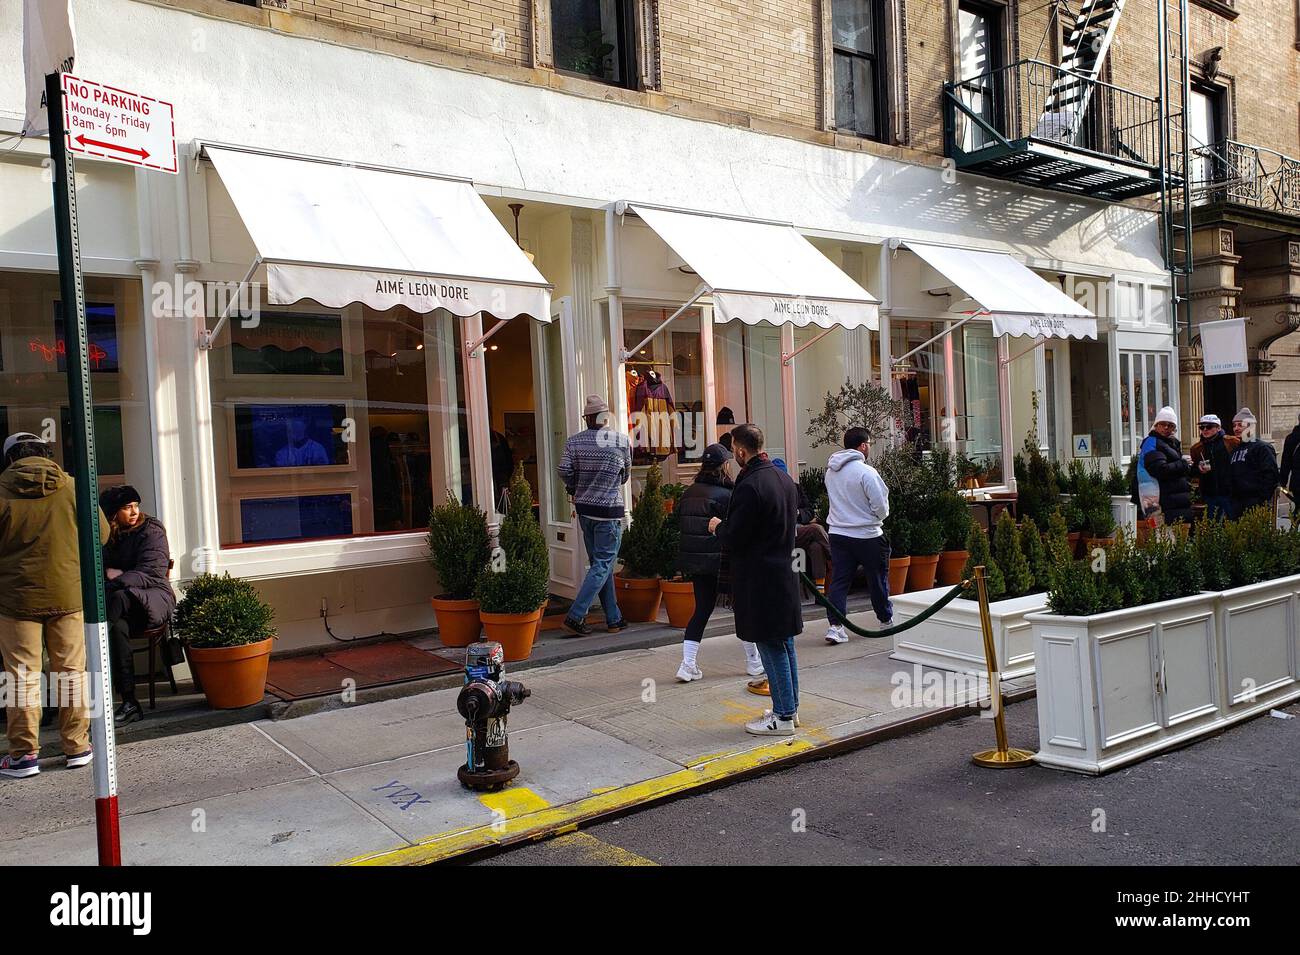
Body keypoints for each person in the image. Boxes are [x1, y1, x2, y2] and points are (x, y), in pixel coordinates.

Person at [0, 433, 109, 779]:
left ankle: (23, 755)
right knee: (71, 672)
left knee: (21, 676)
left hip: (16, 599)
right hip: (68, 595)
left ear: (11, 459)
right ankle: (76, 747)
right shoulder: (74, 487)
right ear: (47, 455)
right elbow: (102, 535)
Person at [707, 424, 803, 736]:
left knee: (770, 645)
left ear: (740, 451)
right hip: (783, 573)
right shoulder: (783, 478)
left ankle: (783, 717)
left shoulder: (751, 486)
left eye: (733, 448)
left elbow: (737, 536)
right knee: (784, 643)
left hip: (761, 578)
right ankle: (789, 708)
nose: (733, 454)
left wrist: (718, 527)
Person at [673, 444, 765, 683]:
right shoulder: (728, 495)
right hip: (724, 561)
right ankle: (754, 662)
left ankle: (687, 664)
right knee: (741, 609)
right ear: (724, 465)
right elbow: (735, 530)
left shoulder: (688, 492)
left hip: (695, 562)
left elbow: (679, 524)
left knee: (701, 610)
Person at [99, 485, 176, 724]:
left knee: (115, 603)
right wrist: (113, 576)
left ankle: (92, 651)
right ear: (112, 514)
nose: (134, 512)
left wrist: (117, 579)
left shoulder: (151, 530)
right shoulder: (105, 535)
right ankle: (130, 701)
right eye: (126, 507)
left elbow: (151, 572)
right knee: (116, 628)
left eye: (135, 506)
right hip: (120, 607)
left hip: (153, 599)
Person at [558, 395, 632, 637]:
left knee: (602, 566)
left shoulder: (574, 442)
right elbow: (625, 475)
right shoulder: (621, 441)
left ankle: (614, 618)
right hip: (609, 511)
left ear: (587, 418)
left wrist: (576, 485)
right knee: (602, 565)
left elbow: (564, 470)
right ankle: (576, 615)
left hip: (585, 511)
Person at [823, 428, 892, 644]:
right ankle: (885, 620)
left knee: (839, 581)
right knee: (877, 578)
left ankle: (835, 626)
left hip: (838, 533)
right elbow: (881, 506)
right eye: (869, 443)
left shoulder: (831, 471)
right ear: (863, 446)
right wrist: (876, 516)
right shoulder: (867, 472)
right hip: (867, 534)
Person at [773, 458, 832, 600]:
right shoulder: (771, 491)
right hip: (782, 533)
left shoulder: (796, 488)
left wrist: (798, 513)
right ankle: (835, 556)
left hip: (798, 530)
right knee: (816, 529)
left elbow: (809, 511)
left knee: (817, 546)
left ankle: (820, 592)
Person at [1131, 406, 1193, 526]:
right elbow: (1159, 470)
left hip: (1172, 501)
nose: (1166, 427)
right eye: (1162, 424)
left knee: (1174, 539)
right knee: (1162, 536)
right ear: (1156, 425)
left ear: (1174, 428)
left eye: (1170, 425)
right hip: (1162, 502)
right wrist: (1183, 463)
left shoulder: (1171, 443)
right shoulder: (1151, 442)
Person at [1229, 408, 1279, 518]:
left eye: (1240, 425)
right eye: (1234, 425)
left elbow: (1271, 475)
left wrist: (1261, 500)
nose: (1236, 428)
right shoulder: (1234, 450)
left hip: (1255, 503)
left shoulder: (1262, 448)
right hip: (1237, 504)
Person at [1189, 414, 1238, 521]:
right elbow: (1193, 471)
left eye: (1209, 427)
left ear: (1218, 428)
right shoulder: (1197, 448)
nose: (1205, 430)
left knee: (1234, 523)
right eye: (1202, 427)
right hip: (1209, 493)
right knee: (1212, 526)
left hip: (1230, 492)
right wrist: (1199, 469)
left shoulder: (1231, 442)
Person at [1280, 412, 1300, 509]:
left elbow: (1285, 463)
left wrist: (1282, 482)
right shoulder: (1292, 438)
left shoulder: (1291, 438)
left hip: (1297, 482)